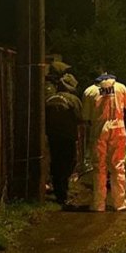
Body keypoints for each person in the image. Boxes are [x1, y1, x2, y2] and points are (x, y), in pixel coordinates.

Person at [82, 73, 126, 212]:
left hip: (99, 131)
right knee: (118, 166)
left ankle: (98, 204)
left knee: (99, 167)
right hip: (118, 129)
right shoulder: (120, 87)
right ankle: (120, 203)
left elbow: (85, 115)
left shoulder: (90, 91)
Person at [45, 71, 83, 207]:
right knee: (69, 162)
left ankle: (59, 192)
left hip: (52, 136)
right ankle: (63, 190)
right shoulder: (74, 100)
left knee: (56, 162)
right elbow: (80, 118)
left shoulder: (49, 98)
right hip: (68, 137)